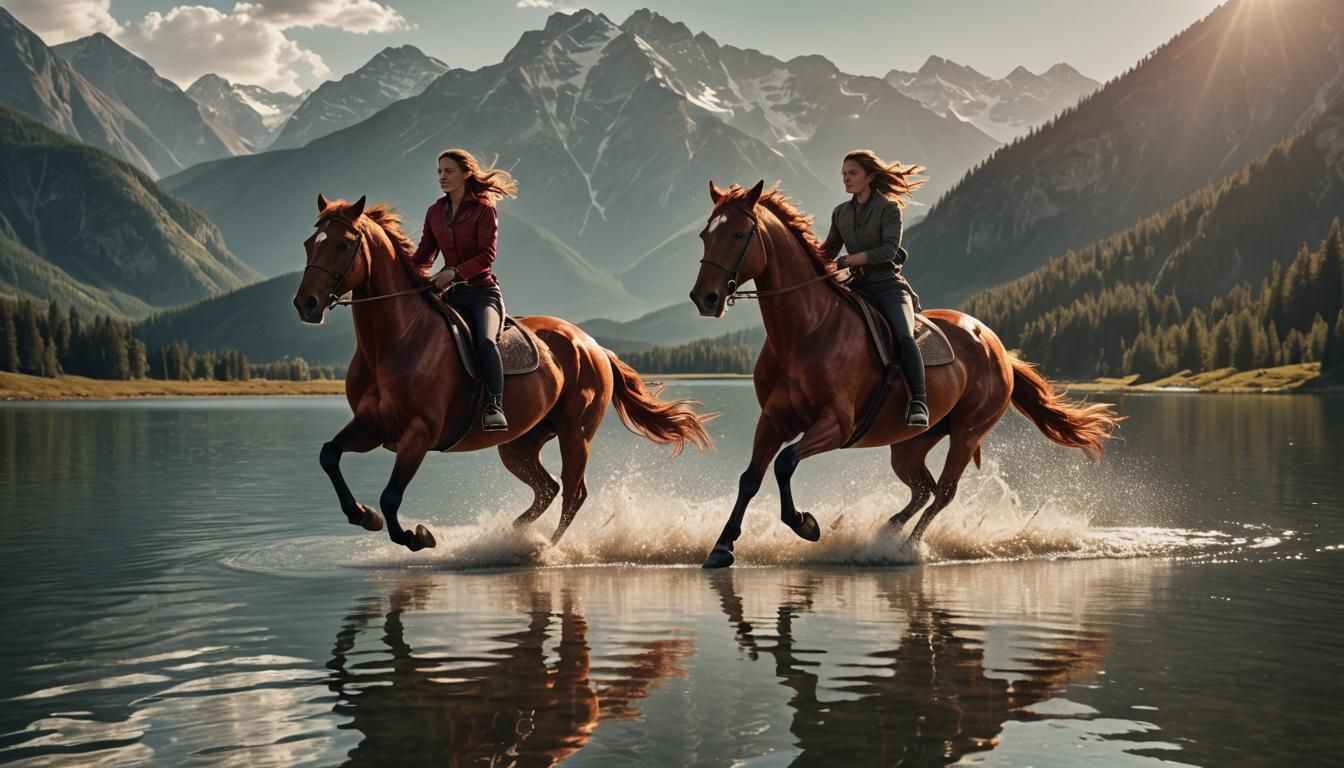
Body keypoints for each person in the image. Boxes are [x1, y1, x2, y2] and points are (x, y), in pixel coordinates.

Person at [820, 149, 930, 428]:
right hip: (856, 286)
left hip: (888, 286)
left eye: (852, 173)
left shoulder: (889, 209)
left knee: (904, 336)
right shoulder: (840, 213)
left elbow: (889, 250)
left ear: (869, 176)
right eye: (843, 174)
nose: (846, 179)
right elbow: (827, 251)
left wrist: (850, 259)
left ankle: (918, 400)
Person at [411, 148, 518, 431]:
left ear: (466, 173)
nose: (442, 177)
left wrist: (454, 273)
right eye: (439, 172)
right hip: (452, 296)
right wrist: (400, 274)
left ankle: (495, 405)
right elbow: (424, 253)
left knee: (484, 341)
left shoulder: (485, 210)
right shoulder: (434, 212)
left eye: (449, 171)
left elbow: (486, 256)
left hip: (483, 293)